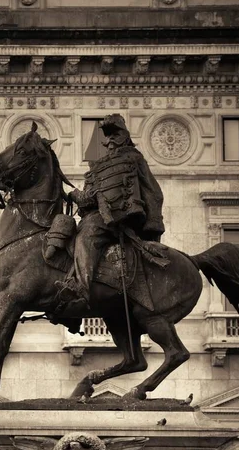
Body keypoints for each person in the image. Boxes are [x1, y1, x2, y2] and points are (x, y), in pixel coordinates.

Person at [55, 113, 164, 312]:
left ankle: (82, 290)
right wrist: (74, 195)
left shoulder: (134, 159)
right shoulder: (97, 169)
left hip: (118, 218)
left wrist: (152, 225)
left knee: (87, 236)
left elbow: (152, 191)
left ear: (125, 136)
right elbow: (89, 199)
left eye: (116, 134)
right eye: (108, 135)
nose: (111, 139)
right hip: (97, 215)